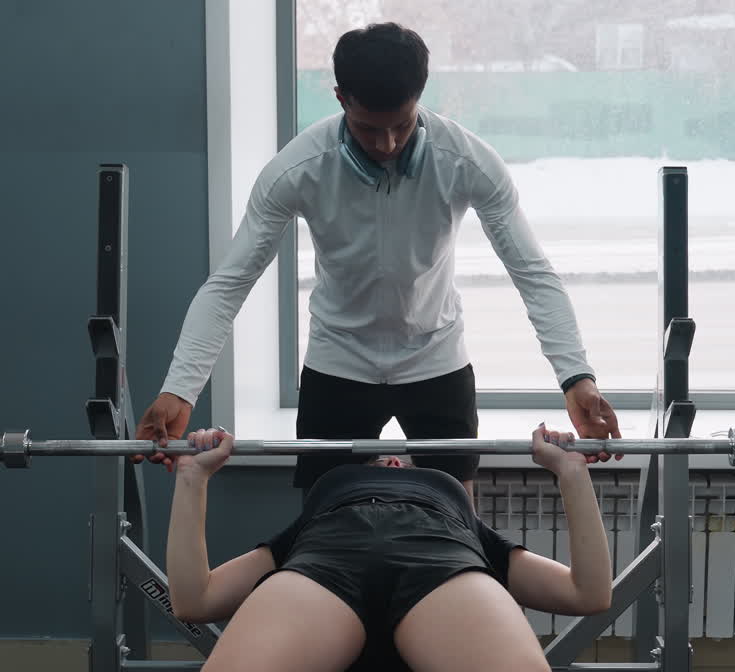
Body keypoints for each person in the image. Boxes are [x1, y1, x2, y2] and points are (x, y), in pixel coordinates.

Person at [135, 22, 621, 496]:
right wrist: (180, 389)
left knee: (457, 524)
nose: (388, 145)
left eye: (402, 126)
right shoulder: (297, 170)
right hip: (338, 361)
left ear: (420, 98)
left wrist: (576, 376)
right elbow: (229, 284)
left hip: (436, 361)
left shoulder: (468, 162)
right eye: (370, 129)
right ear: (341, 98)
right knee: (324, 526)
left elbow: (533, 275)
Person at [166, 424, 613, 672]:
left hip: (443, 567)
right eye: (377, 460)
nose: (392, 458)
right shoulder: (311, 523)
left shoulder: (469, 528)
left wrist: (570, 472)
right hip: (324, 566)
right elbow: (195, 599)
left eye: (404, 460)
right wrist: (193, 477)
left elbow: (588, 593)